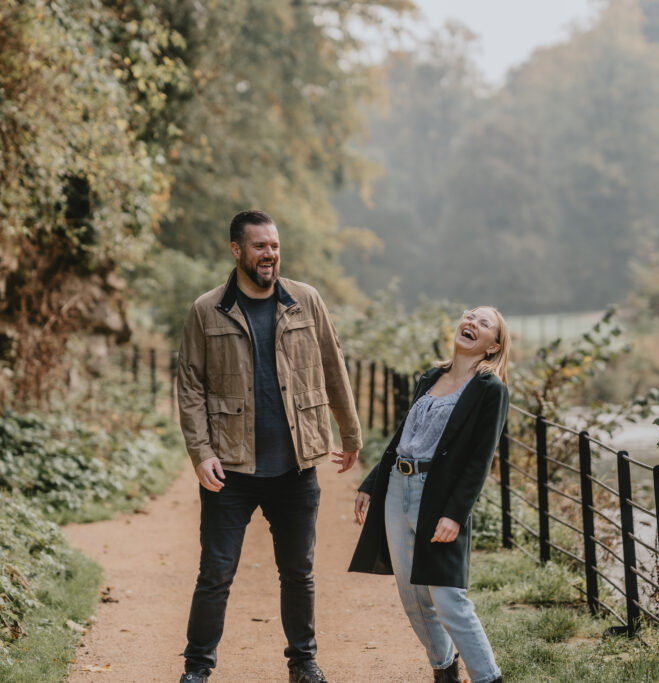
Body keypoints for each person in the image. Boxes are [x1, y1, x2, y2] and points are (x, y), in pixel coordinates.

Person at [176, 209, 361, 683]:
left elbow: (332, 365)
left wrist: (351, 432)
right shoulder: (206, 310)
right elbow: (190, 387)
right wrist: (202, 453)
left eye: (274, 245)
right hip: (230, 472)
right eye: (260, 246)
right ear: (236, 250)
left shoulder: (306, 301)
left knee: (299, 572)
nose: (270, 254)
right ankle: (197, 667)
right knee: (215, 574)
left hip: (295, 468)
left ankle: (303, 662)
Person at [349, 307, 510, 683]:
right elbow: (406, 437)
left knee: (448, 598)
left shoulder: (490, 391)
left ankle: (488, 677)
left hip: (435, 497)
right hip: (397, 487)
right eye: (470, 316)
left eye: (484, 323)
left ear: (493, 346)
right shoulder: (431, 377)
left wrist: (455, 514)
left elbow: (478, 461)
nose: (472, 323)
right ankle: (444, 670)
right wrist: (372, 482)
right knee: (413, 597)